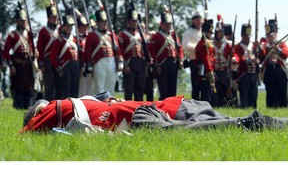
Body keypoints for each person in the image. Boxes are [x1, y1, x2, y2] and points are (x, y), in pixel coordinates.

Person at [20, 92, 288, 133]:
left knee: (234, 124)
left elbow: (27, 131)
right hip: (176, 104)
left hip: (166, 112)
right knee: (234, 123)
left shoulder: (59, 106)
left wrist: (31, 124)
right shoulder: (92, 102)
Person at [85, 0, 123, 96]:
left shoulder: (111, 35)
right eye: (102, 22)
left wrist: (120, 61)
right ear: (97, 23)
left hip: (112, 61)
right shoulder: (92, 35)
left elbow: (117, 49)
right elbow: (87, 52)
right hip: (99, 62)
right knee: (100, 87)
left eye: (105, 22)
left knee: (110, 87)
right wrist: (89, 64)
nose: (104, 24)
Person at [4, 2, 35, 109]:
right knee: (18, 90)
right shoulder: (12, 35)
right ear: (17, 21)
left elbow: (32, 48)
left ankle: (28, 109)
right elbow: (6, 52)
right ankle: (18, 108)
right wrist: (11, 65)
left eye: (24, 20)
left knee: (29, 89)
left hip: (28, 66)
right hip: (18, 66)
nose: (23, 22)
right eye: (21, 20)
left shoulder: (29, 34)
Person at [150, 5, 184, 100]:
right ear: (161, 24)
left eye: (169, 24)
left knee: (172, 89)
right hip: (162, 64)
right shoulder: (157, 36)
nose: (168, 26)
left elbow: (179, 48)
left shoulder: (174, 35)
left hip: (174, 63)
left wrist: (180, 60)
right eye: (166, 24)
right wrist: (156, 65)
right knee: (164, 89)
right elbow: (152, 51)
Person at [117, 8, 147, 101]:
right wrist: (125, 65)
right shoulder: (122, 35)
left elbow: (146, 49)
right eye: (132, 21)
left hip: (140, 63)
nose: (134, 23)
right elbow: (120, 51)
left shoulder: (141, 34)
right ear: (128, 22)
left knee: (140, 89)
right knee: (129, 91)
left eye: (136, 21)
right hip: (129, 64)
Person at [234, 22, 266, 108]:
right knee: (244, 97)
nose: (248, 38)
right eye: (246, 36)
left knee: (253, 97)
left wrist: (259, 45)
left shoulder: (254, 46)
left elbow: (263, 55)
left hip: (254, 74)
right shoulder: (238, 47)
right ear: (242, 36)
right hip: (244, 74)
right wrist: (249, 60)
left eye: (249, 36)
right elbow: (238, 58)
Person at [49, 14, 80, 100]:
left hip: (75, 66)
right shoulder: (60, 40)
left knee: (74, 89)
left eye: (71, 26)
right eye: (68, 26)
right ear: (64, 27)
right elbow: (53, 56)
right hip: (65, 66)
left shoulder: (74, 39)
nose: (70, 28)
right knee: (66, 90)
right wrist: (57, 68)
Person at [262, 19, 288, 107]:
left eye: (271, 36)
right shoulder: (264, 46)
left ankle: (283, 107)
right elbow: (262, 56)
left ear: (275, 35)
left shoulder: (281, 44)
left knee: (282, 91)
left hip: (279, 70)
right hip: (269, 71)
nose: (269, 38)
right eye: (268, 36)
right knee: (270, 92)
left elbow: (285, 54)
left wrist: (277, 49)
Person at [36, 0, 59, 101]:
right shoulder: (43, 31)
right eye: (52, 17)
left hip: (59, 60)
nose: (54, 19)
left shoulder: (60, 30)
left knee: (59, 84)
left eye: (55, 17)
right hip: (48, 60)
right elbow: (40, 48)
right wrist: (41, 63)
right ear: (48, 18)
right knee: (49, 85)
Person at [212, 20, 238, 107]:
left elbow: (234, 55)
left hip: (225, 71)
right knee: (215, 93)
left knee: (227, 91)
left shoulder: (228, 44)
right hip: (215, 71)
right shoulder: (211, 44)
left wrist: (234, 59)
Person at [181, 10, 203, 100]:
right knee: (196, 84)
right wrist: (199, 48)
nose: (199, 21)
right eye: (197, 20)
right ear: (193, 21)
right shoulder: (188, 32)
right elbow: (186, 46)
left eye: (200, 19)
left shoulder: (203, 32)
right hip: (194, 61)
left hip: (204, 61)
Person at [195, 20, 215, 104]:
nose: (211, 34)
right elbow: (206, 58)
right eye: (209, 33)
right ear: (205, 32)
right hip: (205, 72)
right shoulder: (205, 44)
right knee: (206, 96)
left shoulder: (204, 43)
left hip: (204, 72)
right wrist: (210, 70)